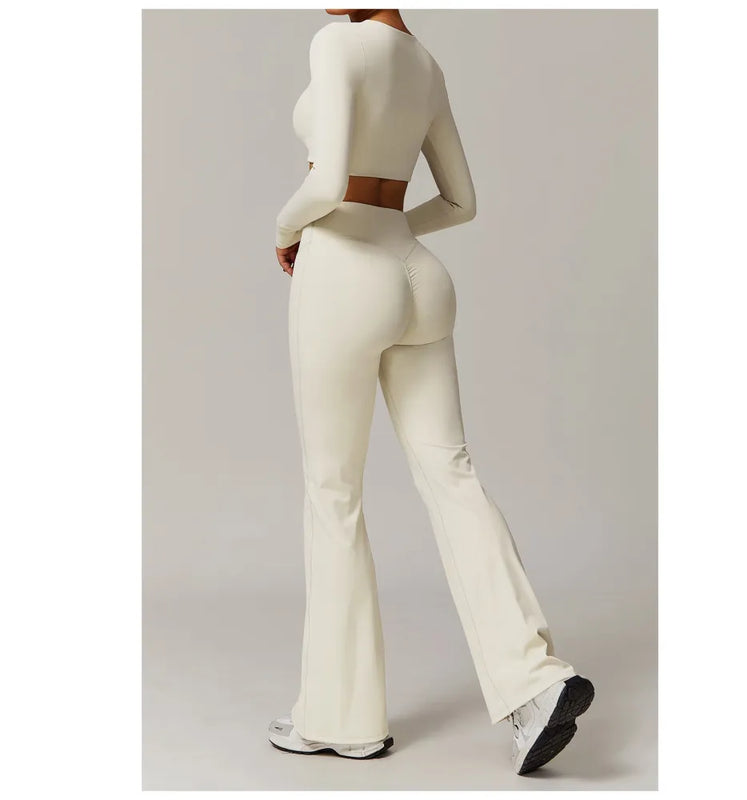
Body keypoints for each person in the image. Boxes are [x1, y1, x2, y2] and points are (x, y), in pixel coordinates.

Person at [268, 9, 594, 775]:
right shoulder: (426, 65)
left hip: (343, 271)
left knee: (333, 492)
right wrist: (390, 229)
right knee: (453, 473)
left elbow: (329, 180)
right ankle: (536, 681)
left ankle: (341, 719)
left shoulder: (337, 42)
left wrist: (286, 230)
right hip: (417, 274)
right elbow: (459, 202)